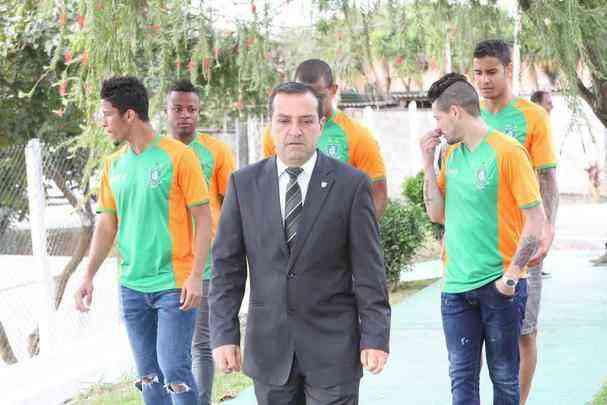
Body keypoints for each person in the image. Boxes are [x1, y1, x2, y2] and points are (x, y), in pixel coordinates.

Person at [209, 81, 391, 405]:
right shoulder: (243, 185)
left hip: (334, 351)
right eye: (284, 121)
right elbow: (227, 268)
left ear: (321, 125)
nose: (295, 131)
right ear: (271, 126)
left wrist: (375, 336)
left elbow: (369, 270)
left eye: (306, 121)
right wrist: (223, 334)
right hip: (269, 351)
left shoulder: (350, 185)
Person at [74, 76, 212, 405]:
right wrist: (88, 275)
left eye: (107, 114)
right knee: (148, 376)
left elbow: (204, 218)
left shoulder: (178, 156)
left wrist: (196, 275)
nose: (103, 122)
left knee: (174, 371)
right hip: (132, 286)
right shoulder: (113, 165)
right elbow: (107, 225)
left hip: (174, 284)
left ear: (130, 115)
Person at [420, 73, 545, 405]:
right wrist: (427, 164)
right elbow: (437, 214)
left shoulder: (508, 152)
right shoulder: (450, 155)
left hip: (499, 287)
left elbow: (537, 220)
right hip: (456, 290)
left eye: (438, 117)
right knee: (461, 381)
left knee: (504, 380)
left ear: (456, 111)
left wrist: (512, 276)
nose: (437, 126)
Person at [473, 39, 559, 405]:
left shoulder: (531, 117)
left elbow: (547, 177)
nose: (484, 80)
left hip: (523, 242)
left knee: (524, 331)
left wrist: (547, 229)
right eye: (477, 73)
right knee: (477, 336)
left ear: (509, 70)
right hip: (477, 245)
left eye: (492, 72)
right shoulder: (468, 115)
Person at [166, 79, 236, 405]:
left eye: (191, 109)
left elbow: (232, 204)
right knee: (167, 346)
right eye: (178, 109)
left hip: (205, 264)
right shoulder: (155, 153)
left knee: (201, 343)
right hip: (164, 266)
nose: (185, 116)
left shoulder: (216, 151)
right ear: (165, 112)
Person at [262, 59, 388, 218]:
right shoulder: (273, 133)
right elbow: (270, 188)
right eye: (302, 94)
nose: (310, 101)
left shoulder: (358, 136)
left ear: (333, 90)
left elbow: (378, 193)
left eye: (318, 95)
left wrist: (358, 234)